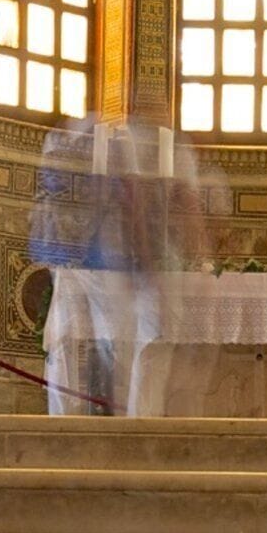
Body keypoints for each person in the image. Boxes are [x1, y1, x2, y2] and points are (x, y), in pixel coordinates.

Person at [28, 83, 209, 415]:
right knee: (125, 343)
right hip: (112, 260)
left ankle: (117, 413)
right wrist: (147, 253)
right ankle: (128, 415)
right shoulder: (122, 143)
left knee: (118, 344)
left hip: (110, 258)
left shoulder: (148, 145)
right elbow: (136, 201)